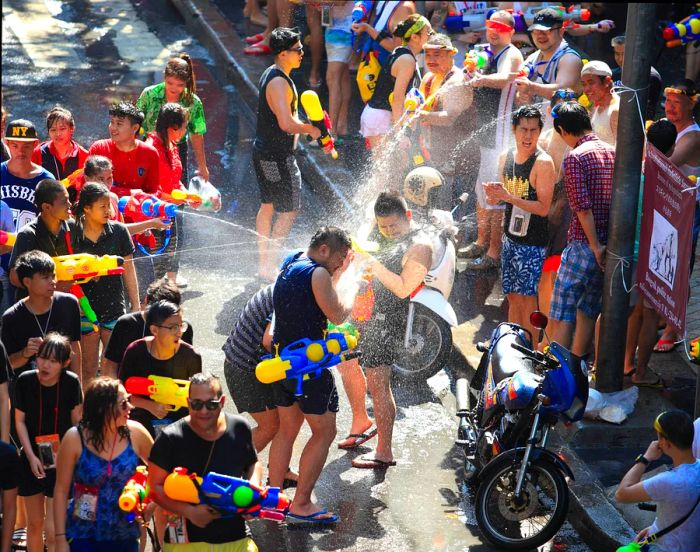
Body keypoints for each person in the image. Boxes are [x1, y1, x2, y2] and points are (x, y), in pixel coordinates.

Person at [268, 227, 354, 522]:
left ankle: (273, 498)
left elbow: (315, 295)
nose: (341, 265)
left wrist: (339, 275)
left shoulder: (291, 261)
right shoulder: (318, 274)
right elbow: (338, 314)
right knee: (324, 432)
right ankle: (301, 504)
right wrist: (356, 287)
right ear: (325, 250)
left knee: (286, 430)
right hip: (308, 368)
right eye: (341, 258)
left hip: (282, 364)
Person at [351, 193, 431, 469]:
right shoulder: (380, 230)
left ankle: (384, 450)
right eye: (382, 226)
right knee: (352, 368)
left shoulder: (420, 247)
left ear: (407, 217)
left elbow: (403, 287)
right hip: (367, 313)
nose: (388, 232)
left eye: (393, 227)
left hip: (387, 321)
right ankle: (361, 423)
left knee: (379, 385)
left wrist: (373, 264)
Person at [147, 372, 261, 550]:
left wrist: (253, 489)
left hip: (235, 538)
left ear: (222, 402)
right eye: (197, 404)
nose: (204, 411)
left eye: (211, 404)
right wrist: (189, 512)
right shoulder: (171, 437)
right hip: (187, 544)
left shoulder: (239, 427)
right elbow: (154, 487)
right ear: (187, 402)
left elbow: (253, 462)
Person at [53, 377, 154, 552]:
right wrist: (60, 538)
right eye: (124, 403)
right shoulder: (74, 438)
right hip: (82, 534)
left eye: (129, 401)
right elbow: (61, 490)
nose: (130, 407)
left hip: (125, 534)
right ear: (103, 408)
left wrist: (149, 505)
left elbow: (160, 473)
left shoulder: (136, 433)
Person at [253, 27, 321, 282]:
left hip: (265, 153)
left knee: (269, 205)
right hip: (277, 156)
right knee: (289, 208)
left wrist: (305, 125)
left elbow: (287, 117)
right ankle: (269, 265)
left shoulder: (273, 74)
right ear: (283, 54)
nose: (302, 52)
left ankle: (264, 264)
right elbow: (285, 123)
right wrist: (311, 129)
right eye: (297, 49)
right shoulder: (280, 81)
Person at [548, 101, 615, 358]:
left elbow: (582, 208)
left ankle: (558, 370)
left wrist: (595, 246)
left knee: (563, 310)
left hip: (584, 244)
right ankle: (577, 366)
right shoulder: (612, 151)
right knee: (588, 309)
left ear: (564, 130)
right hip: (609, 243)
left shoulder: (575, 157)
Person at [483, 105, 555, 339]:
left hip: (533, 243)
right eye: (523, 129)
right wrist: (495, 195)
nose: (528, 136)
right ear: (514, 130)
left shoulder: (543, 163)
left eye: (534, 130)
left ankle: (533, 350)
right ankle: (515, 344)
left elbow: (544, 208)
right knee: (512, 297)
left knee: (527, 301)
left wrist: (508, 197)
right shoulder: (506, 157)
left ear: (540, 131)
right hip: (510, 237)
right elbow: (507, 198)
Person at [459, 10, 524, 269]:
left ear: (510, 31)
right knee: (480, 188)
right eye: (490, 26)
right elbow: (469, 72)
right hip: (484, 129)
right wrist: (468, 74)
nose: (493, 31)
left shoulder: (512, 53)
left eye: (499, 27)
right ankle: (481, 240)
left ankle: (494, 252)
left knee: (493, 191)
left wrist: (481, 79)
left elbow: (506, 77)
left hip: (501, 132)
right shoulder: (484, 50)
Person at [14, 333, 82, 552]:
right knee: (34, 525)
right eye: (42, 358)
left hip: (61, 461)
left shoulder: (71, 383)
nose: (44, 365)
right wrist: (31, 456)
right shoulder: (25, 380)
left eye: (52, 361)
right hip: (31, 458)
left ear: (65, 364)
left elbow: (76, 424)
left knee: (53, 530)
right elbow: (19, 421)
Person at [623, 119, 677, 387]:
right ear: (672, 148)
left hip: (630, 255)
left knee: (633, 312)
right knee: (650, 316)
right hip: (654, 260)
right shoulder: (670, 182)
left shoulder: (634, 172)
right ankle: (641, 372)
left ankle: (625, 362)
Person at [71, 183, 140, 382]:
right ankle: (87, 411)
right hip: (84, 310)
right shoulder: (72, 233)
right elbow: (65, 270)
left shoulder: (118, 231)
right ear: (86, 208)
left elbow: (129, 269)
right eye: (102, 206)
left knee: (114, 367)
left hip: (114, 308)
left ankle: (111, 411)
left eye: (108, 205)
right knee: (88, 369)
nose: (108, 211)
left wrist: (135, 304)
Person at [653, 81, 700, 353]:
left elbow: (666, 164)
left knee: (681, 265)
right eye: (668, 101)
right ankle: (665, 315)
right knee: (663, 260)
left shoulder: (692, 135)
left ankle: (675, 328)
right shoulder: (669, 126)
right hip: (671, 206)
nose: (670, 107)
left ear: (691, 104)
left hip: (690, 210)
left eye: (677, 103)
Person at [615, 410, 700, 552]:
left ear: (665, 443)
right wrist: (656, 528)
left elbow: (621, 494)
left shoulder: (667, 481)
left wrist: (645, 459)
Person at [119, 300, 201, 439]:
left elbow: (198, 397)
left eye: (181, 326)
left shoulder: (191, 356)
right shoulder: (135, 351)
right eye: (173, 327)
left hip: (179, 425)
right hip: (139, 424)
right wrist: (150, 405)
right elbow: (121, 394)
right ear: (154, 330)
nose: (179, 332)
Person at [414, 33, 477, 211]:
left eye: (437, 54)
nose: (431, 59)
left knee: (450, 214)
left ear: (452, 54)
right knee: (430, 209)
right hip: (433, 155)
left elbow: (449, 118)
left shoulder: (457, 81)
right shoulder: (429, 78)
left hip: (457, 161)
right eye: (428, 54)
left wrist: (421, 115)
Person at [1, 119, 55, 308]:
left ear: (35, 145)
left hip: (30, 264)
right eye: (15, 145)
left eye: (26, 146)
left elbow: (52, 224)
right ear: (6, 143)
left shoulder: (46, 180)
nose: (20, 151)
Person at [2, 251, 81, 379]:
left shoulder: (69, 304)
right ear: (27, 282)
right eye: (45, 277)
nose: (52, 281)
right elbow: (7, 364)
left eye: (53, 276)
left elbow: (74, 347)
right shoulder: (12, 317)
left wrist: (77, 387)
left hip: (63, 386)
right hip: (27, 390)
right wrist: (25, 353)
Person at [361, 14, 432, 152]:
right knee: (387, 170)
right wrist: (401, 133)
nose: (431, 35)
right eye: (428, 32)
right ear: (415, 37)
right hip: (381, 117)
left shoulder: (403, 53)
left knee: (395, 168)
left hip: (381, 116)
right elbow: (397, 98)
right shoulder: (407, 60)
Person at [137, 53, 209, 184]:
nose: (174, 88)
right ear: (164, 77)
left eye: (180, 85)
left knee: (177, 189)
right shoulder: (149, 94)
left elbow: (197, 134)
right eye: (170, 83)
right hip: (149, 145)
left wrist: (202, 165)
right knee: (148, 188)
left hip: (177, 149)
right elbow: (135, 124)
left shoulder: (193, 102)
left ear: (186, 82)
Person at [103, 277, 194, 377]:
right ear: (146, 301)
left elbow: (188, 370)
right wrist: (119, 390)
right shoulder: (126, 324)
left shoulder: (182, 329)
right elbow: (110, 367)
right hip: (130, 388)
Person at [145, 103, 194, 287]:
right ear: (173, 128)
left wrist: (188, 196)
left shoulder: (171, 145)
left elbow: (175, 179)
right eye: (183, 127)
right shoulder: (151, 149)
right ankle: (149, 308)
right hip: (152, 216)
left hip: (169, 214)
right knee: (154, 267)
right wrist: (172, 198)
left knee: (166, 260)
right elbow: (149, 189)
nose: (184, 131)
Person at [537, 89, 576, 321]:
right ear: (550, 111)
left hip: (565, 206)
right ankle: (544, 314)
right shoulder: (544, 137)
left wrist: (560, 203)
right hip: (546, 201)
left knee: (557, 263)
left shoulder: (575, 139)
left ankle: (556, 317)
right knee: (544, 264)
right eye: (558, 109)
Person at [8, 178, 75, 299]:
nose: (70, 204)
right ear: (46, 207)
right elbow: (15, 277)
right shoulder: (28, 234)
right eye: (64, 201)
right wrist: (48, 287)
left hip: (63, 304)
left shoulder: (72, 226)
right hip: (34, 309)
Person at [88, 102, 159, 198]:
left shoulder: (150, 153)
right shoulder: (99, 148)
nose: (113, 128)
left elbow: (154, 192)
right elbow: (88, 186)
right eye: (112, 122)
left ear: (135, 128)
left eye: (119, 124)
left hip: (137, 210)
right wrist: (129, 193)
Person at [515, 8, 583, 104]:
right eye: (536, 31)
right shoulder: (532, 58)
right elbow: (519, 97)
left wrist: (530, 87)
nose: (540, 35)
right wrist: (522, 96)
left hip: (564, 119)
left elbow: (563, 92)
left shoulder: (570, 59)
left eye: (546, 31)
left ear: (561, 31)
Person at [610, 35, 662, 120]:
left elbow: (643, 112)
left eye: (624, 54)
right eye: (617, 54)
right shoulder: (614, 74)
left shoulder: (650, 77)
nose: (620, 59)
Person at [323, 1, 354, 143]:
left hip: (341, 31)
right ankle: (342, 125)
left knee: (332, 78)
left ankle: (331, 132)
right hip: (340, 27)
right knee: (342, 77)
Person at [350, 1, 416, 66]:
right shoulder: (384, 3)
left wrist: (368, 29)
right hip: (371, 67)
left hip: (388, 70)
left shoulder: (404, 8)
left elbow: (397, 47)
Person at [31, 106, 88, 182]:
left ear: (72, 129)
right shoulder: (38, 153)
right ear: (48, 132)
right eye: (53, 130)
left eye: (62, 129)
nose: (58, 134)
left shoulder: (84, 155)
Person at [580, 61, 619, 147]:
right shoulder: (596, 107)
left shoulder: (616, 110)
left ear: (607, 81)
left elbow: (622, 153)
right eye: (583, 84)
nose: (586, 89)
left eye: (591, 83)